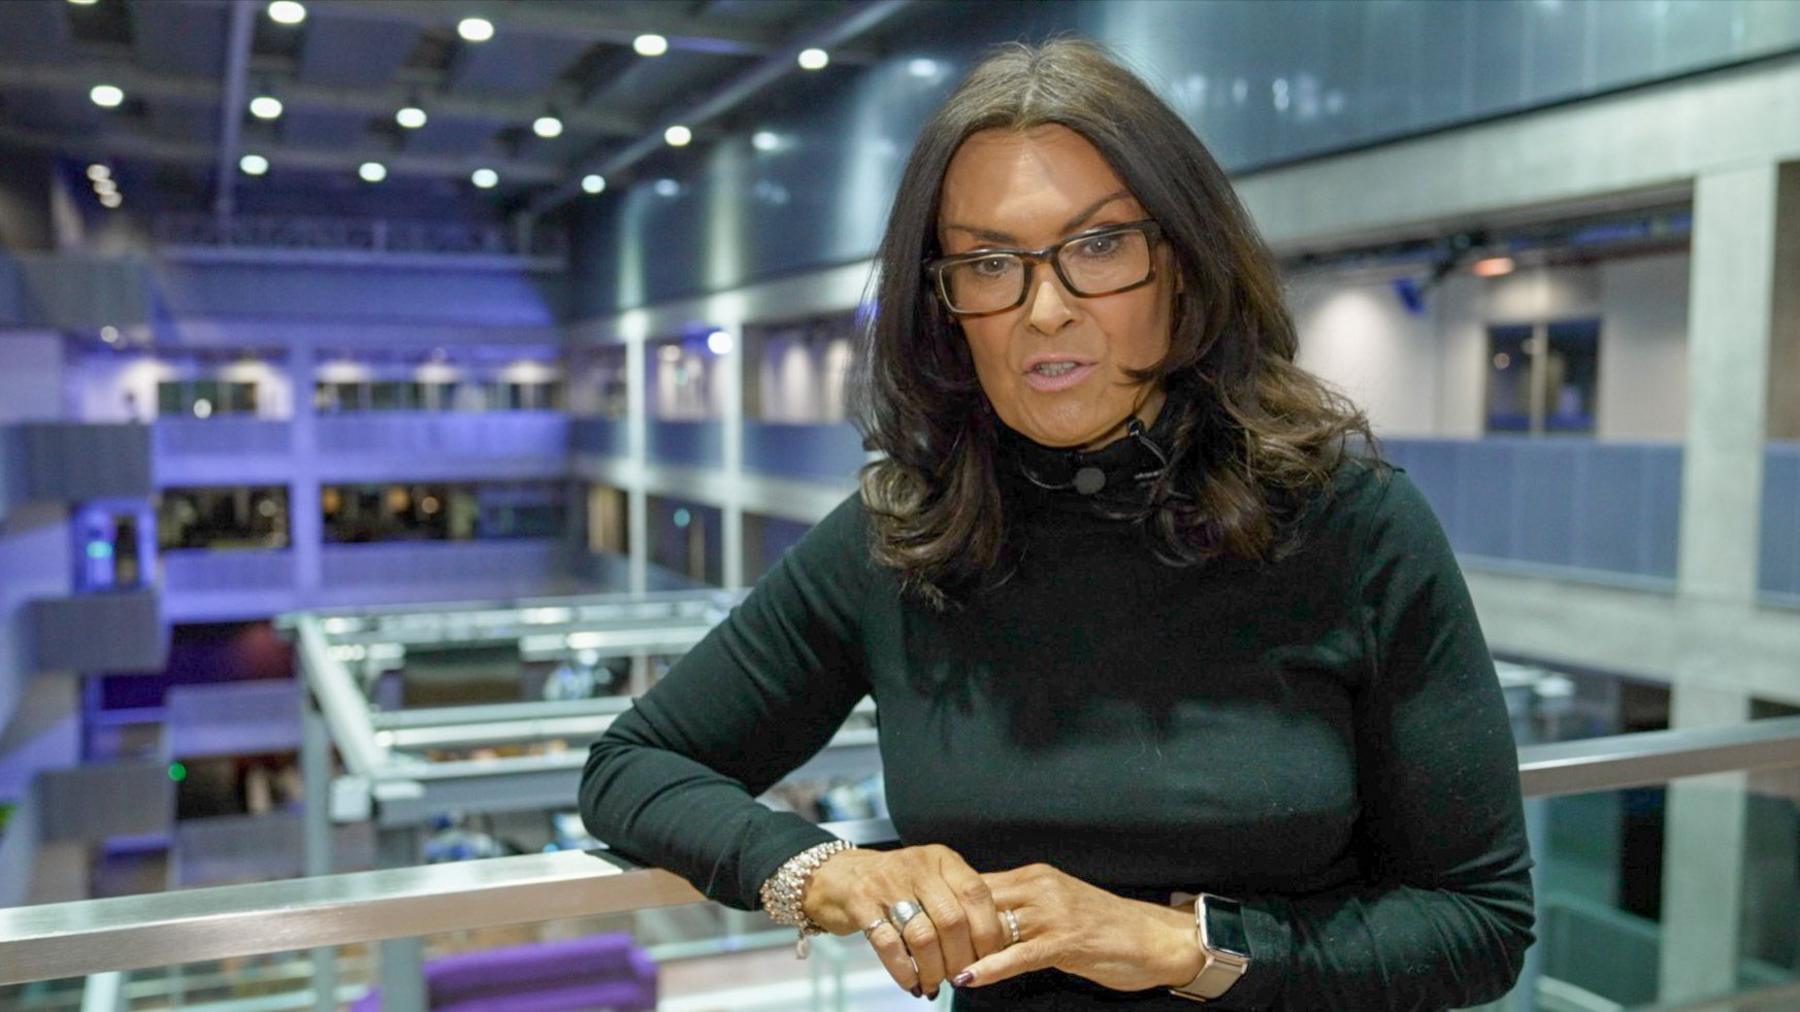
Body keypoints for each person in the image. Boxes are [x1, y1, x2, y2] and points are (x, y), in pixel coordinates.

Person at [580, 38, 1534, 1010]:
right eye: (989, 262)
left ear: (1183, 264)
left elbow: (1479, 924)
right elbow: (632, 767)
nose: (1044, 308)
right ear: (947, 305)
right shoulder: (903, 535)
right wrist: (829, 872)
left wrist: (1185, 942)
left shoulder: (1352, 524)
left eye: (1099, 247)